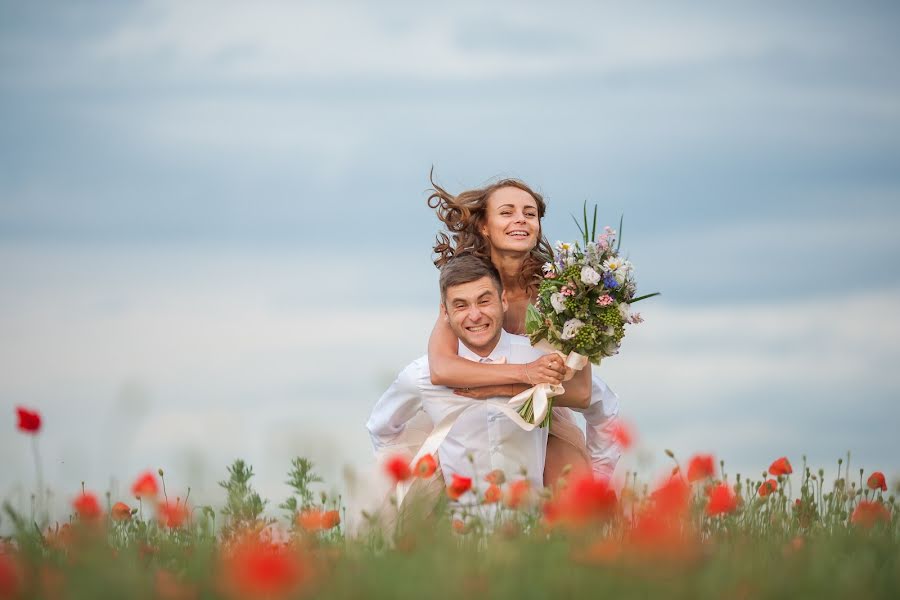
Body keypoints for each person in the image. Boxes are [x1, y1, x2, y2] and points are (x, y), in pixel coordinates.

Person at [426, 172, 621, 484]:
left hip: (542, 414)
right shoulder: (469, 286)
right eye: (507, 212)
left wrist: (505, 390)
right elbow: (442, 367)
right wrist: (524, 374)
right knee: (426, 498)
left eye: (530, 214)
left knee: (568, 480)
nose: (521, 220)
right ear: (484, 226)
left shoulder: (564, 290)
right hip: (468, 406)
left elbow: (581, 392)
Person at [366, 255, 601, 500]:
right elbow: (381, 430)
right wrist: (409, 487)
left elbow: (596, 402)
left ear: (503, 301)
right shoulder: (421, 375)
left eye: (484, 301)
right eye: (460, 305)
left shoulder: (541, 355)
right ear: (444, 312)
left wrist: (601, 474)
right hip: (460, 531)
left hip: (531, 529)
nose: (475, 315)